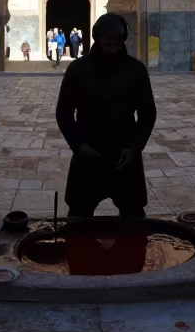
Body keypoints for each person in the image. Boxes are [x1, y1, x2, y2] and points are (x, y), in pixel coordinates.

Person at [56, 13, 157, 217]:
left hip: (124, 155)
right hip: (89, 154)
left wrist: (134, 147)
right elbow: (64, 112)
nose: (113, 50)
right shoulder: (78, 70)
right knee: (79, 215)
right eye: (108, 44)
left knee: (133, 215)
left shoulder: (135, 70)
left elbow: (147, 113)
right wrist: (79, 145)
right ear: (97, 40)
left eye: (117, 45)